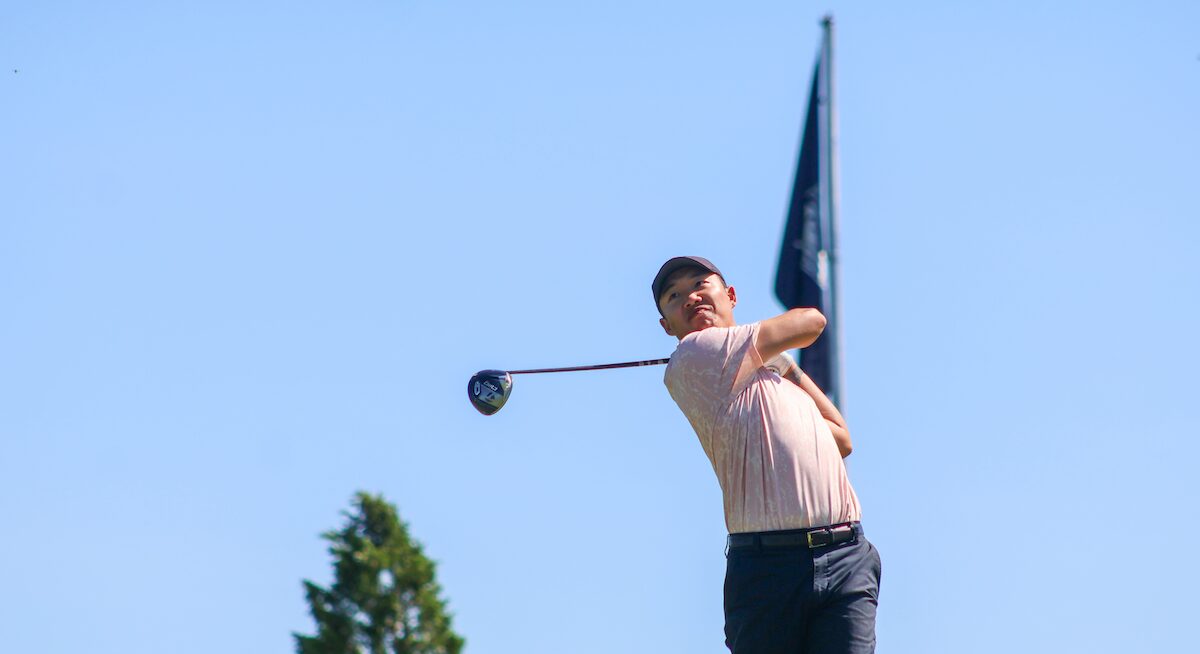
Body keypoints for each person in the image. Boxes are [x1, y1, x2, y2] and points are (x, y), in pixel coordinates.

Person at [652, 255, 881, 654]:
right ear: (667, 326)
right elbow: (811, 321)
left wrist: (777, 362)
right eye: (674, 296)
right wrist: (768, 349)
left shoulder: (769, 373)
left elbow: (841, 439)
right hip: (767, 569)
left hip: (845, 554)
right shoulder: (694, 355)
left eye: (700, 285)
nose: (690, 297)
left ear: (731, 295)